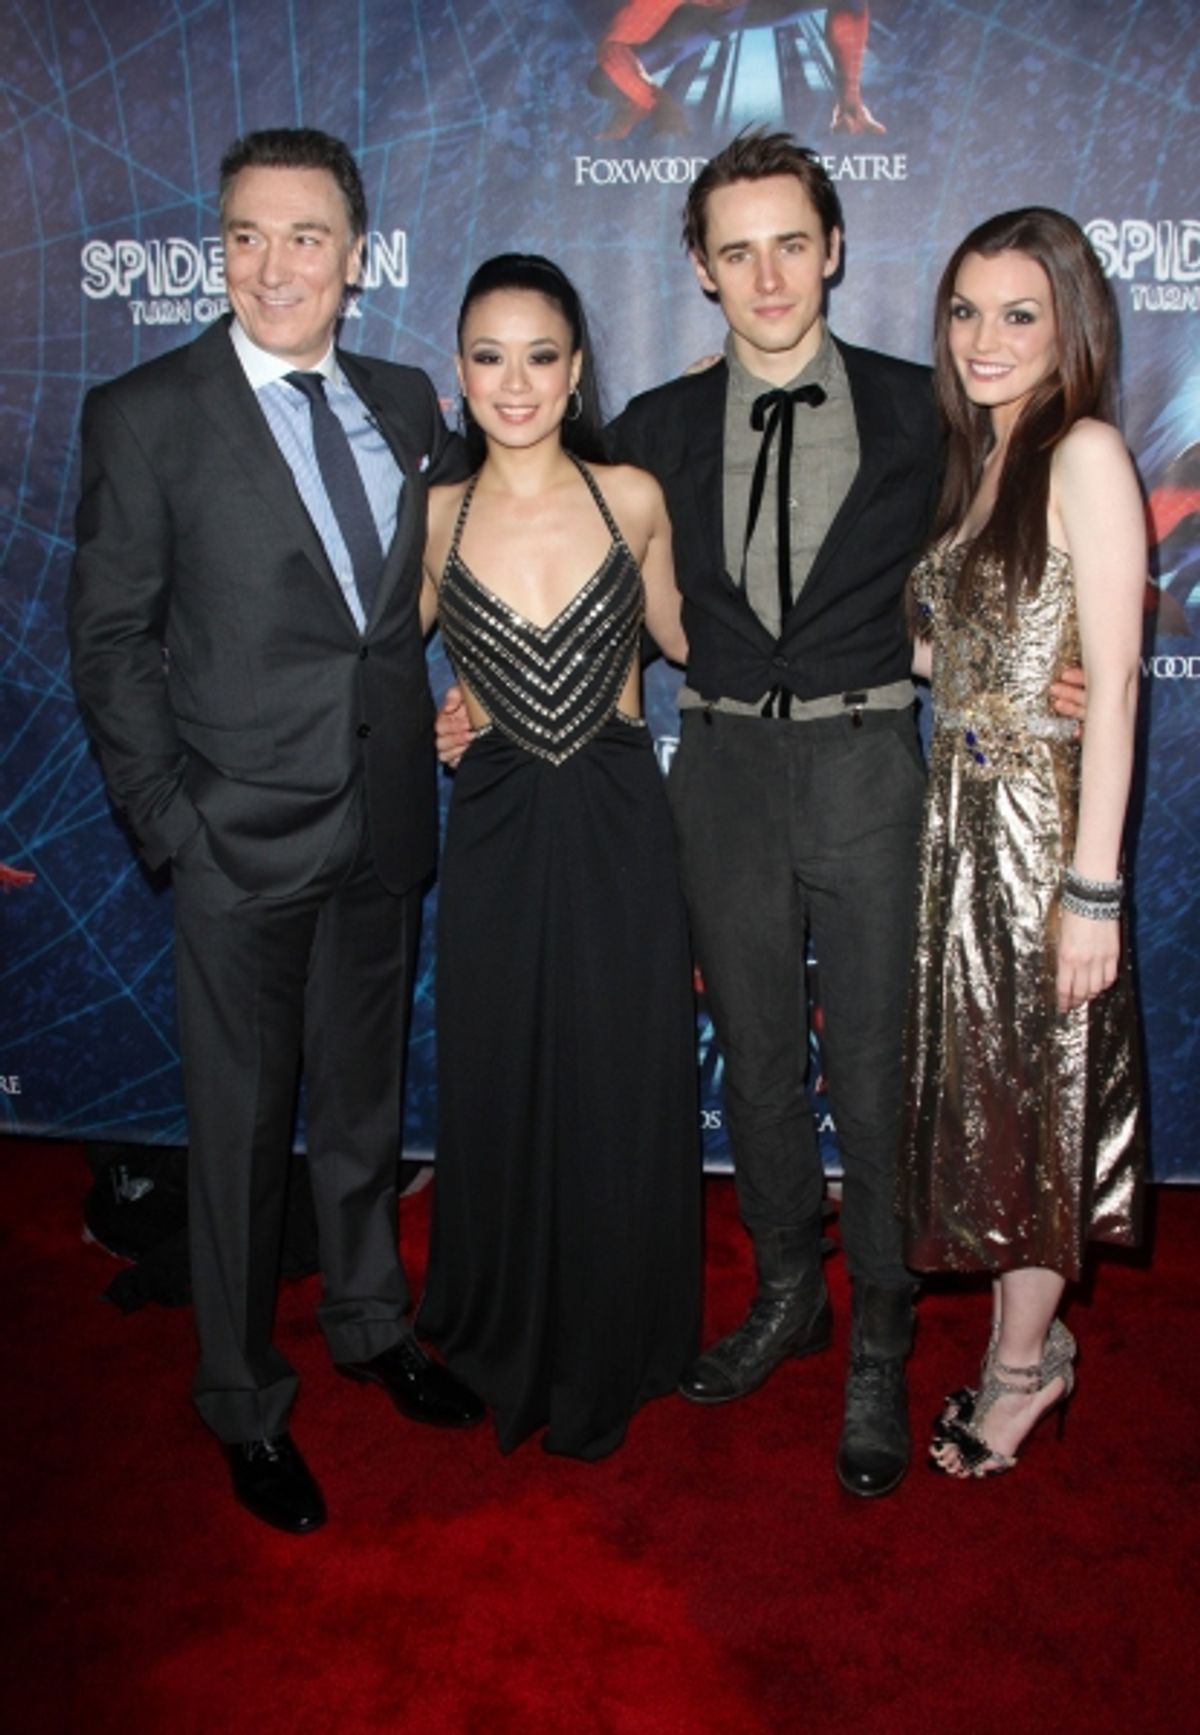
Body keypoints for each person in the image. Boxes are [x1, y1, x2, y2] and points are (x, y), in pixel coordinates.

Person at [437, 132, 1085, 1497]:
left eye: (792, 242)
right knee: (757, 1061)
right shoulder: (654, 430)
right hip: (722, 768)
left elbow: (999, 557)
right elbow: (575, 576)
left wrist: (1030, 672)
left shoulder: (923, 406)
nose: (768, 274)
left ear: (834, 248)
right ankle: (790, 1292)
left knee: (878, 1072)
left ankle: (881, 1341)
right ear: (700, 267)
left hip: (867, 766)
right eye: (737, 250)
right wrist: (475, 694)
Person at [68, 127, 482, 1537]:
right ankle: (243, 1399)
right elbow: (110, 643)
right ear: (220, 248)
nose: (273, 264)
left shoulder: (404, 400)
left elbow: (442, 566)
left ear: (356, 257)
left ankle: (371, 1322)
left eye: (306, 236)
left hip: (382, 819)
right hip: (233, 842)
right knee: (240, 1141)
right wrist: (172, 825)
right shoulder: (146, 414)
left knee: (361, 1111)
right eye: (246, 234)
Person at [416, 254, 702, 1461]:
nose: (517, 381)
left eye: (541, 355)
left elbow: (696, 635)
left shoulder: (631, 495)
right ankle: (504, 1317)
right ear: (459, 372)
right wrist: (436, 718)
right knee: (500, 1067)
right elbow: (358, 662)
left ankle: (620, 1327)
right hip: (493, 826)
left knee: (622, 1073)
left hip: (619, 820)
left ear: (577, 368)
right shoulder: (437, 516)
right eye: (490, 356)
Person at [899, 208, 1145, 1479]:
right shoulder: (981, 456)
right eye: (965, 312)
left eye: (1017, 315)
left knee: (1040, 1109)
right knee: (998, 1109)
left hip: (1042, 838)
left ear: (1070, 327)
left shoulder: (1083, 451)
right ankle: (1026, 1348)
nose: (983, 339)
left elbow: (1116, 684)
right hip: (960, 829)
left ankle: (1020, 1373)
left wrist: (1092, 889)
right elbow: (957, 656)